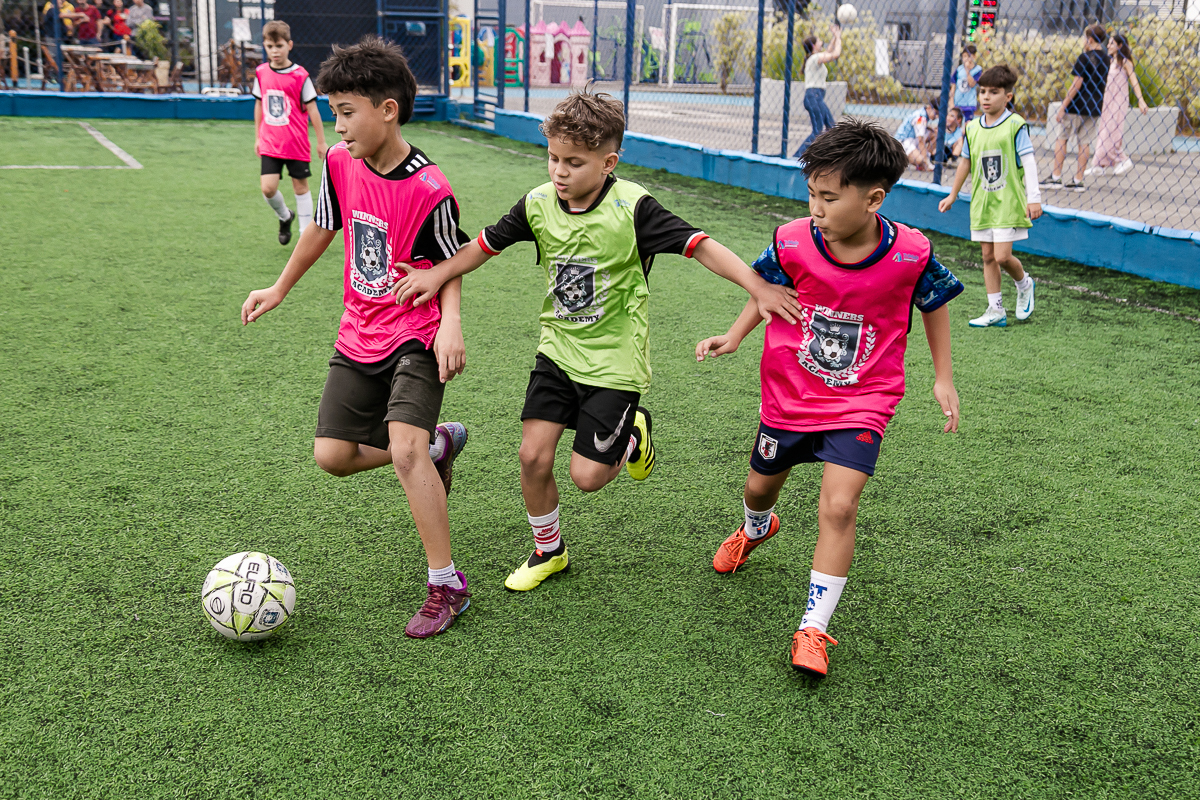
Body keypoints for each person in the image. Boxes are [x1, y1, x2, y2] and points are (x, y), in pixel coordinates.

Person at [392, 88, 802, 593]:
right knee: (531, 456)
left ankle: (633, 432)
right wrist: (437, 275)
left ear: (608, 163)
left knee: (587, 477)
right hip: (557, 350)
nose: (559, 172)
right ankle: (549, 550)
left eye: (574, 163)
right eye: (553, 158)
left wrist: (758, 286)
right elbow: (484, 245)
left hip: (614, 363)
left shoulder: (634, 208)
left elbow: (701, 246)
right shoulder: (538, 203)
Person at [695, 120, 962, 678]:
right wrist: (735, 335)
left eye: (829, 197)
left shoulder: (912, 252)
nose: (815, 208)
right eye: (812, 194)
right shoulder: (791, 239)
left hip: (865, 398)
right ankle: (756, 528)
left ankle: (813, 629)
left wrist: (944, 377)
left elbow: (934, 302)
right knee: (758, 488)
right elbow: (767, 289)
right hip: (790, 394)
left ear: (873, 199)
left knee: (839, 507)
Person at [240, 36, 474, 639]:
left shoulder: (430, 188)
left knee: (404, 451)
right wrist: (279, 288)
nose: (338, 127)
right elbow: (323, 227)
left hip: (415, 331)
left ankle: (446, 584)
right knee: (333, 457)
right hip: (359, 329)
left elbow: (450, 262)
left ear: (387, 110)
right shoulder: (341, 164)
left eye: (346, 113)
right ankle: (438, 447)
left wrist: (450, 323)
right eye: (335, 112)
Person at [938, 65, 1042, 328]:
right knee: (987, 256)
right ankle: (996, 310)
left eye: (993, 92)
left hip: (1008, 202)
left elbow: (1029, 161)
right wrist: (953, 194)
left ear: (1008, 96)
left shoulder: (1015, 125)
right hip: (982, 203)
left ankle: (1024, 284)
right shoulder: (972, 128)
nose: (985, 97)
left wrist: (1034, 197)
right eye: (982, 91)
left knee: (1002, 256)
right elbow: (965, 162)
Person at [253, 19, 327, 245]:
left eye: (279, 46)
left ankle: (305, 235)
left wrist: (321, 142)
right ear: (265, 46)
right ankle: (285, 216)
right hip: (270, 143)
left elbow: (313, 109)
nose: (275, 51)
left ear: (289, 45)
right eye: (270, 46)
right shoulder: (261, 72)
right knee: (268, 188)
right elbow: (259, 104)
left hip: (295, 143)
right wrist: (257, 137)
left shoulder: (300, 76)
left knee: (300, 187)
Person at [1045, 24, 1108, 191]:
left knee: (1062, 137)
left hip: (1077, 104)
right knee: (1085, 142)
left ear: (1090, 39)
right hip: (1095, 105)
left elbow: (1077, 84)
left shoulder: (1084, 58)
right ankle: (1078, 180)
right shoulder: (1107, 59)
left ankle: (1056, 177)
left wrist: (1063, 106)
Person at [1087, 32, 1148, 177]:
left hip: (1119, 101)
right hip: (1108, 100)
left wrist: (1141, 100)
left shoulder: (1125, 62)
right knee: (1104, 130)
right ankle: (1099, 165)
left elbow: (1134, 81)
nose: (1108, 46)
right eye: (1108, 43)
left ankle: (1123, 159)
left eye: (1112, 43)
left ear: (1120, 46)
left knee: (1112, 132)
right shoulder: (1111, 62)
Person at [794, 24, 842, 157]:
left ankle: (827, 156)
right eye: (819, 41)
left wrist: (835, 36)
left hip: (816, 97)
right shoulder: (815, 58)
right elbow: (835, 54)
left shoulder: (815, 58)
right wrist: (838, 38)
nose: (822, 42)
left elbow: (829, 50)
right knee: (818, 130)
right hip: (813, 96)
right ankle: (797, 156)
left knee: (831, 127)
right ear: (814, 46)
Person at [894, 96, 939, 171]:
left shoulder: (923, 113)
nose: (937, 116)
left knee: (936, 134)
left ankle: (925, 158)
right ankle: (924, 161)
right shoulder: (920, 118)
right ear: (929, 108)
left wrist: (930, 128)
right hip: (903, 141)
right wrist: (926, 162)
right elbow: (920, 140)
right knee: (919, 160)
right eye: (936, 113)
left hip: (912, 139)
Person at [953, 45, 982, 122]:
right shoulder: (959, 69)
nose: (966, 59)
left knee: (968, 123)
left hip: (969, 103)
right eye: (964, 56)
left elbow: (972, 84)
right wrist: (951, 101)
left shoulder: (978, 69)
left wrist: (967, 70)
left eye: (968, 56)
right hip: (958, 101)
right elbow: (953, 85)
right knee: (956, 122)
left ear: (974, 57)